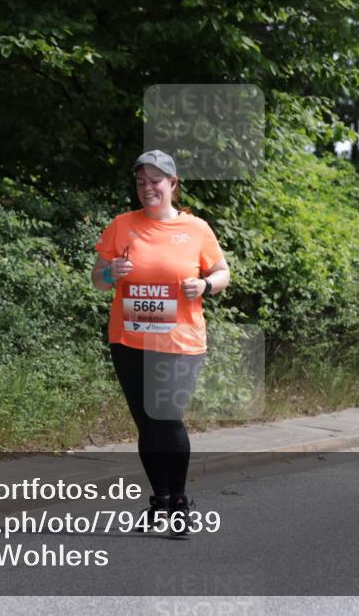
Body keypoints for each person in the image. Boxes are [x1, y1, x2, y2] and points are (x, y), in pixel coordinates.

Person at [91, 150, 230, 535]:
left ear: (173, 183)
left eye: (155, 180)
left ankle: (181, 502)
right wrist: (111, 272)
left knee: (166, 418)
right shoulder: (122, 226)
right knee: (146, 424)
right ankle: (160, 500)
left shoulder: (197, 229)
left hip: (179, 341)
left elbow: (222, 273)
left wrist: (203, 285)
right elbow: (97, 279)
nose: (147, 187)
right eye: (140, 182)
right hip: (129, 339)